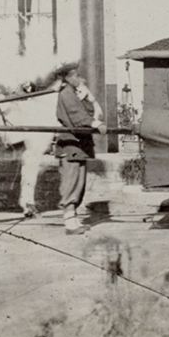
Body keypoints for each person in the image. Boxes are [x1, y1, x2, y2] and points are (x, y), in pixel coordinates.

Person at [55, 63, 106, 235]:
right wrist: (95, 123)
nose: (80, 79)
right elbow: (78, 116)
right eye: (76, 76)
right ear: (68, 78)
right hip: (70, 144)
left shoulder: (75, 94)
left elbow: (90, 111)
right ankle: (70, 224)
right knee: (71, 183)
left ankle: (74, 222)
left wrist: (87, 98)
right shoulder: (66, 94)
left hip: (79, 144)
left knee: (79, 183)